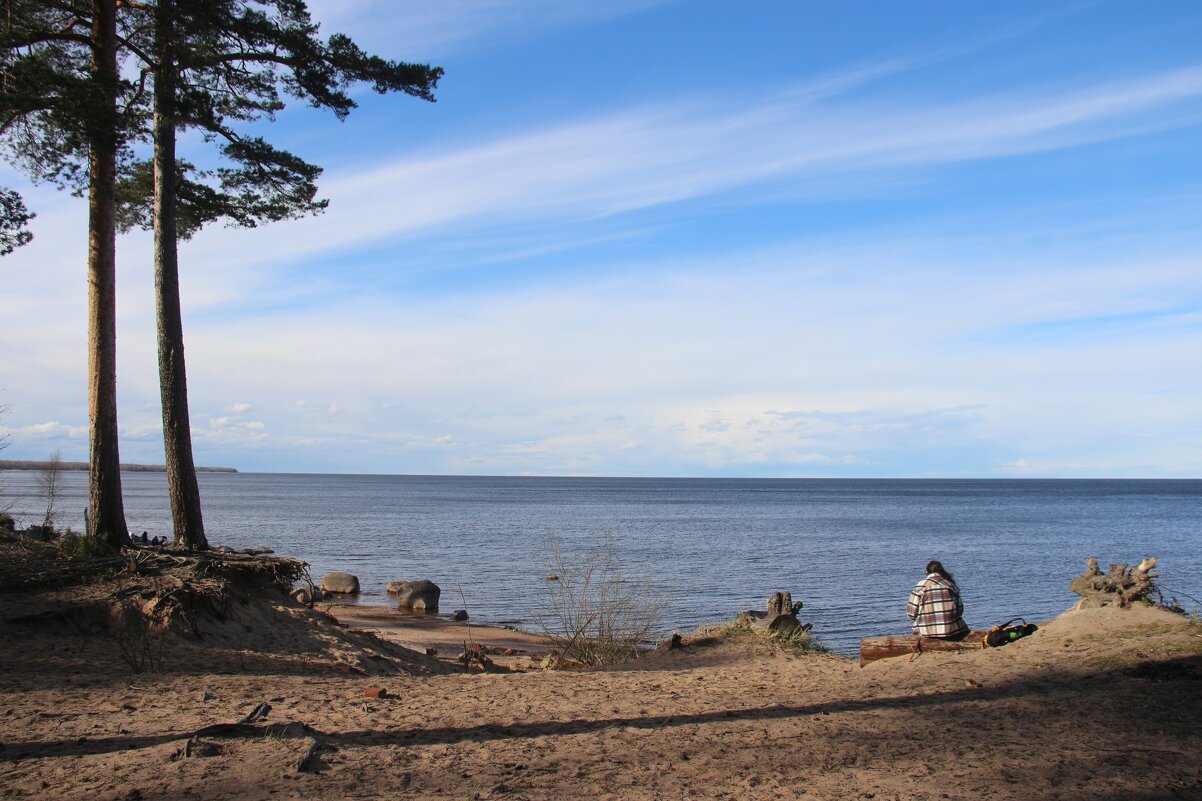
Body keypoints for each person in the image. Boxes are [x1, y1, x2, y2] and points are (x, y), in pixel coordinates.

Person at [907, 560, 968, 640]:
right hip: (950, 630)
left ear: (926, 572)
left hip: (926, 631)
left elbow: (911, 613)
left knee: (916, 622)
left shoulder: (920, 585)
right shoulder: (949, 584)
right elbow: (960, 610)